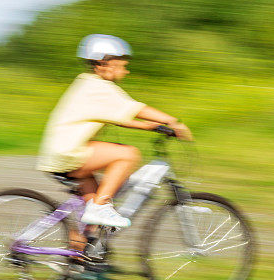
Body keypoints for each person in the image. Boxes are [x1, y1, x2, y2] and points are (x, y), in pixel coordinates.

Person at [37, 34, 192, 251]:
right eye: (122, 65)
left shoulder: (88, 83)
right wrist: (172, 121)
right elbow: (135, 109)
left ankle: (79, 254)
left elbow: (122, 118)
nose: (125, 70)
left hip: (59, 153)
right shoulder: (97, 87)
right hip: (68, 152)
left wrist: (152, 127)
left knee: (92, 222)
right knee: (128, 154)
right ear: (104, 63)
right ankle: (99, 208)